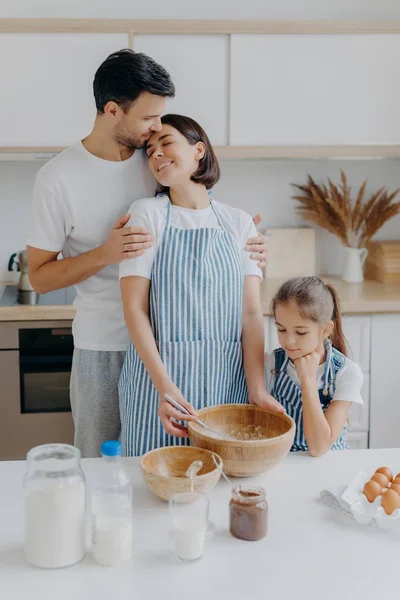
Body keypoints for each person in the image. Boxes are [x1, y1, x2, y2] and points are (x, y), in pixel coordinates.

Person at [26, 50, 268, 458]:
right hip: (104, 346)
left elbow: (197, 209)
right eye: (148, 118)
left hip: (175, 350)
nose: (156, 129)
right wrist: (105, 254)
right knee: (101, 466)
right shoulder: (58, 178)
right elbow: (39, 276)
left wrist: (249, 242)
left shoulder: (153, 156)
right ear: (112, 110)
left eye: (162, 120)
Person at [118, 114, 284, 457]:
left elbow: (251, 313)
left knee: (224, 482)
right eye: (150, 151)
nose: (157, 155)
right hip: (160, 386)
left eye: (166, 144)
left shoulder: (238, 223)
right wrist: (165, 390)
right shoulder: (146, 214)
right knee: (155, 486)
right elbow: (135, 309)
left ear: (198, 151)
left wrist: (257, 388)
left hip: (226, 384)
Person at [265, 276, 364, 456]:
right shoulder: (271, 364)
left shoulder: (347, 373)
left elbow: (319, 447)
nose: (288, 340)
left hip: (330, 467)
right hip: (284, 466)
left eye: (300, 332)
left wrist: (308, 380)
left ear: (325, 330)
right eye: (281, 329)